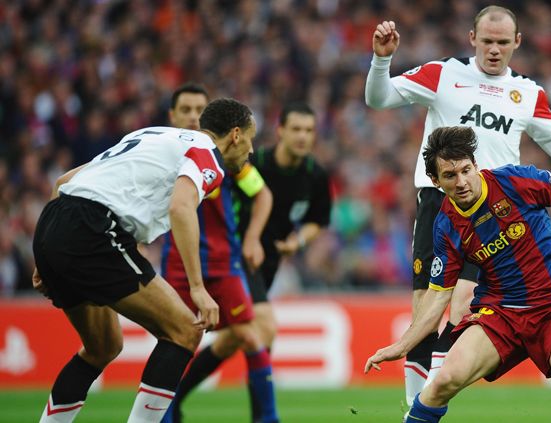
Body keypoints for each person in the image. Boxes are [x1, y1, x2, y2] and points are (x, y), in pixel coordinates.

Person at [365, 5, 551, 406]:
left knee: (460, 305)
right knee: (425, 311)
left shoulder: (528, 92)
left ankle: (432, 398)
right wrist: (382, 59)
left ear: (517, 42)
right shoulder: (443, 73)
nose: (494, 50)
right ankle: (417, 406)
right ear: (472, 39)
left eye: (502, 42)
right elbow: (379, 99)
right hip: (439, 204)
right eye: (486, 41)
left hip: (497, 211)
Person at [366, 126, 551, 422]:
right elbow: (437, 297)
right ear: (434, 181)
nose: (461, 182)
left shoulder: (512, 181)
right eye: (450, 175)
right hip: (501, 313)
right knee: (443, 382)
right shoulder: (446, 225)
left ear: (475, 165)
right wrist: (401, 346)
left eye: (465, 170)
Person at [32, 98, 255, 422]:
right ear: (236, 134)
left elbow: (63, 182)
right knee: (184, 330)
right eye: (251, 138)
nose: (250, 151)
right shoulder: (209, 156)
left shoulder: (153, 135)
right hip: (92, 228)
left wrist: (46, 256)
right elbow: (181, 207)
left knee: (103, 347)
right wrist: (197, 288)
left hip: (54, 224)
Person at [166, 101, 331, 422]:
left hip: (267, 264)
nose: (302, 136)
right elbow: (256, 194)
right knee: (263, 328)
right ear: (280, 131)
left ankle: (174, 400)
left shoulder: (315, 174)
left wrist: (297, 241)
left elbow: (317, 220)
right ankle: (264, 416)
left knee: (231, 340)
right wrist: (252, 237)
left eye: (309, 130)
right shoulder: (253, 160)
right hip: (238, 257)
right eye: (296, 129)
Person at [160, 84, 278, 423]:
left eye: (200, 108)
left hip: (225, 263)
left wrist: (253, 237)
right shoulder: (167, 154)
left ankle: (267, 418)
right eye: (186, 109)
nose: (194, 116)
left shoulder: (229, 159)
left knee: (250, 335)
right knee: (176, 343)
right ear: (173, 115)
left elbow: (263, 195)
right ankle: (167, 414)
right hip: (180, 264)